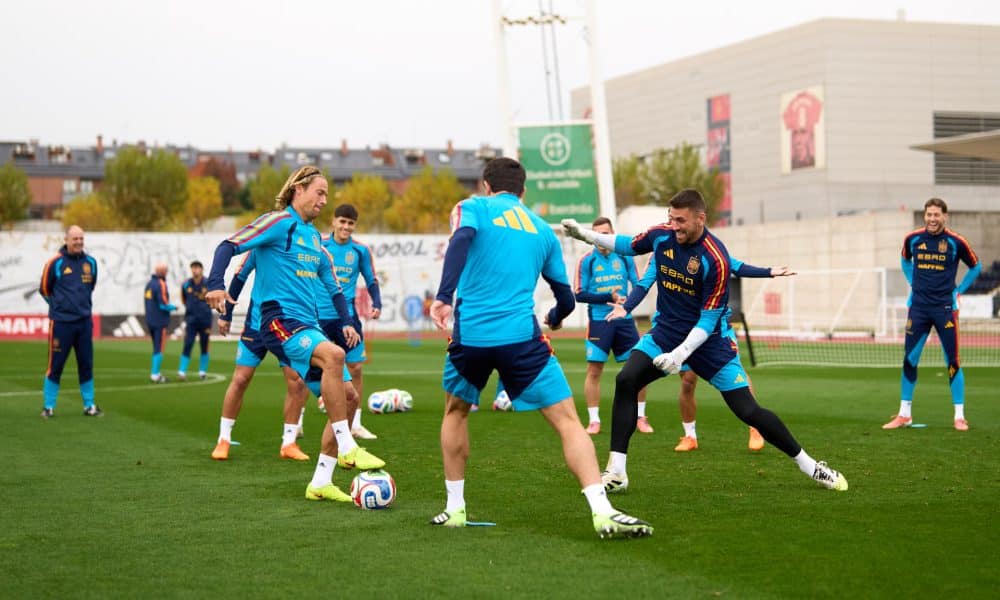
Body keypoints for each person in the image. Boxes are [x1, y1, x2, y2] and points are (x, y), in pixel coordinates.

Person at [562, 189, 848, 494]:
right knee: (627, 379)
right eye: (671, 218)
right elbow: (627, 245)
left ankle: (811, 466)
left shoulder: (716, 258)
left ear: (701, 219)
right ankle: (617, 471)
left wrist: (680, 354)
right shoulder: (662, 235)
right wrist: (585, 235)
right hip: (665, 333)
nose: (674, 226)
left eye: (681, 220)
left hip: (710, 343)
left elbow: (709, 319)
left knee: (748, 411)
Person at [428, 157, 652, 539]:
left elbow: (462, 239)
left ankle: (455, 509)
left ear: (486, 185)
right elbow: (565, 297)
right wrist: (556, 317)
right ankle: (602, 510)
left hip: (472, 336)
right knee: (567, 420)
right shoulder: (541, 229)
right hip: (521, 338)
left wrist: (444, 296)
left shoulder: (472, 208)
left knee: (456, 412)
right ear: (523, 190)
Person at [205, 165, 383, 502]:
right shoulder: (277, 222)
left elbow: (332, 285)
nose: (324, 200)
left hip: (309, 324)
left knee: (349, 398)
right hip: (278, 319)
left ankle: (320, 482)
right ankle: (347, 444)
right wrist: (216, 285)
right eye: (320, 192)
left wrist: (346, 319)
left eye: (327, 194)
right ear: (297, 189)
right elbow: (228, 246)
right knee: (334, 355)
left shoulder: (315, 237)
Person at [609, 254, 794, 451]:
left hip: (715, 330)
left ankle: (755, 427)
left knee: (736, 375)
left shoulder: (709, 251)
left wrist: (769, 272)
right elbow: (645, 282)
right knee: (687, 381)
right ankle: (690, 436)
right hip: (681, 330)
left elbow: (737, 267)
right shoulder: (662, 250)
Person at [884, 198, 980, 431]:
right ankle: (904, 414)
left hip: (945, 309)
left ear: (945, 216)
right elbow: (905, 259)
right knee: (909, 359)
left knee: (952, 362)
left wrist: (959, 291)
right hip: (918, 308)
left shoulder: (957, 242)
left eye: (937, 215)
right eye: (929, 215)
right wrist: (912, 282)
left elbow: (975, 266)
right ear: (924, 216)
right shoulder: (913, 239)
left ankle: (959, 416)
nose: (932, 219)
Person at [211, 250, 311, 462]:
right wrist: (226, 314)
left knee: (297, 383)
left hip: (287, 326)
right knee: (240, 379)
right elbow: (239, 277)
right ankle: (223, 439)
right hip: (256, 325)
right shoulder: (258, 248)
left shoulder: (297, 247)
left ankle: (289, 442)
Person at [573, 216, 651, 436]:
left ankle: (640, 417)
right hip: (599, 323)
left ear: (612, 234)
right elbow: (579, 294)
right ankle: (594, 420)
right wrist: (608, 296)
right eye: (597, 234)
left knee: (639, 368)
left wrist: (629, 300)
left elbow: (638, 284)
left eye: (605, 233)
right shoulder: (586, 260)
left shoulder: (625, 257)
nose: (601, 238)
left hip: (624, 322)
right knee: (594, 370)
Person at [319, 204, 383, 440]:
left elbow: (371, 279)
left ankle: (355, 424)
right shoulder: (320, 245)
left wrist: (377, 302)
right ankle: (299, 420)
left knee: (355, 367)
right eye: (342, 221)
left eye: (350, 223)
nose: (346, 227)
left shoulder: (360, 250)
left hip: (348, 318)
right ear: (333, 221)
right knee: (313, 369)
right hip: (319, 316)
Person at [39, 225, 102, 417]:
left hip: (83, 323)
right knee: (55, 365)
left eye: (81, 239)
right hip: (61, 324)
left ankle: (89, 405)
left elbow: (90, 287)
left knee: (86, 364)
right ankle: (48, 407)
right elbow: (44, 289)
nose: (79, 242)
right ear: (66, 240)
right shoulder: (55, 263)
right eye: (75, 239)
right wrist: (59, 306)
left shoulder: (90, 262)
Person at [178, 260, 213, 381]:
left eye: (197, 268)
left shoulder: (208, 283)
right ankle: (182, 372)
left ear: (201, 269)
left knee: (204, 345)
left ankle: (202, 372)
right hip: (191, 319)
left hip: (205, 319)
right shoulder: (186, 284)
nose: (195, 270)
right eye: (193, 267)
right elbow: (183, 299)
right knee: (188, 343)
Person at [144, 263, 176, 383]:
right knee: (160, 347)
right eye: (166, 271)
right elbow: (163, 304)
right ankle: (155, 374)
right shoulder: (161, 284)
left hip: (150, 320)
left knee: (156, 347)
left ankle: (155, 372)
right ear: (163, 272)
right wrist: (174, 307)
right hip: (160, 321)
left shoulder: (148, 284)